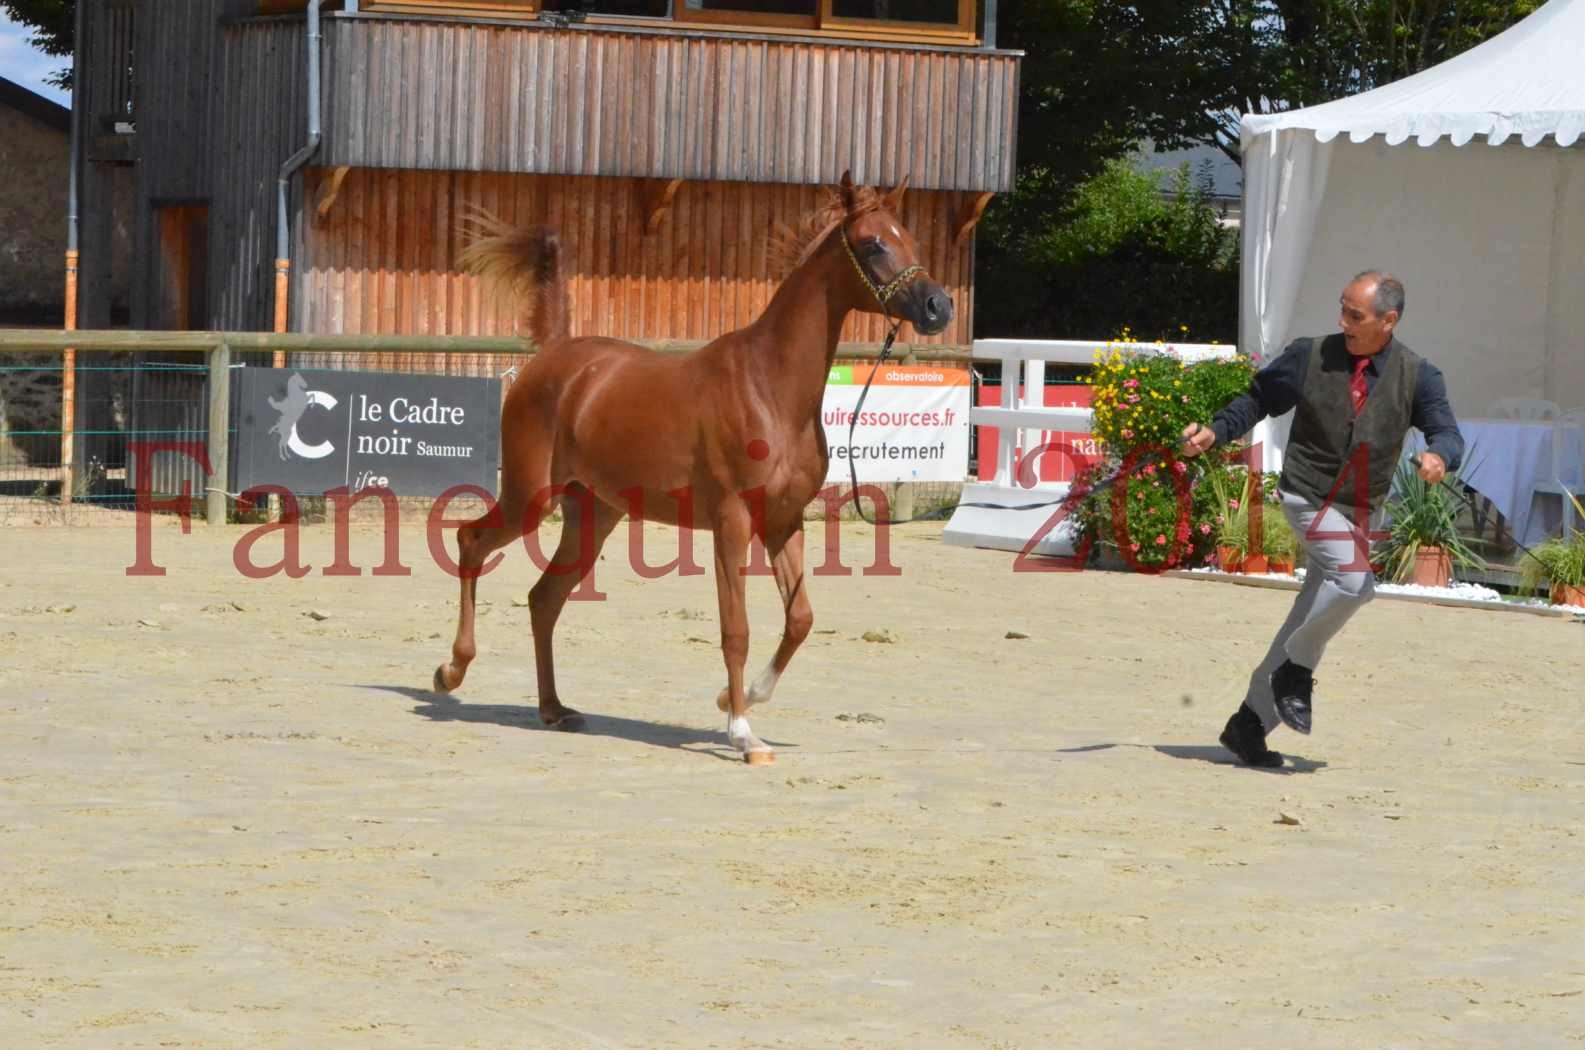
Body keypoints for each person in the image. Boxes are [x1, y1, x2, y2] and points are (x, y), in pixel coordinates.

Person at [1180, 271, 1465, 767]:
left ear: (1388, 320)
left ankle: (1248, 723)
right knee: (1355, 583)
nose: (1342, 321)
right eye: (1342, 308)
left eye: (1355, 315)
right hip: (1308, 495)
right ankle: (1296, 670)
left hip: (1360, 507)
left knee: (1313, 611)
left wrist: (1439, 457)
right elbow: (1258, 398)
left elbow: (1448, 433)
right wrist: (1217, 430)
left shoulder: (1418, 374)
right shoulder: (1309, 354)